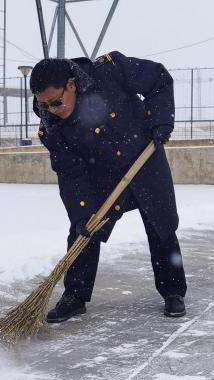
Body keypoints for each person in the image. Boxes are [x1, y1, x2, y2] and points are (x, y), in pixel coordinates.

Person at [31, 51, 187, 323]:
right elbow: (70, 174)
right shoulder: (53, 128)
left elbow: (158, 79)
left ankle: (173, 291)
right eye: (44, 105)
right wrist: (81, 214)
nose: (53, 110)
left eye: (56, 102)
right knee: (84, 231)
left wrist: (160, 121)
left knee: (161, 225)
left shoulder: (111, 71)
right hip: (103, 178)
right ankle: (75, 296)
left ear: (71, 85)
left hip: (145, 160)